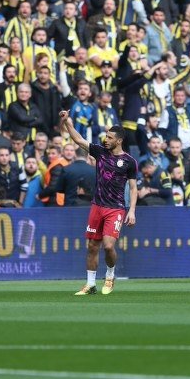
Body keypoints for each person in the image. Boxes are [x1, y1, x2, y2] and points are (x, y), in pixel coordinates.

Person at [59, 109, 137, 296]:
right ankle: (90, 284)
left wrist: (132, 211)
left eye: (109, 137)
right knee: (93, 246)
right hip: (97, 206)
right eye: (106, 136)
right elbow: (78, 140)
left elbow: (133, 188)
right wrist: (67, 121)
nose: (106, 140)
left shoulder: (129, 162)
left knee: (109, 246)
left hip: (116, 208)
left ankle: (110, 275)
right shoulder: (100, 152)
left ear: (119, 141)